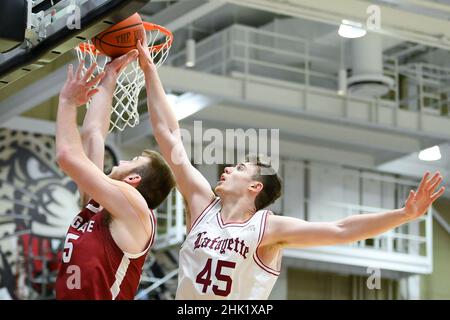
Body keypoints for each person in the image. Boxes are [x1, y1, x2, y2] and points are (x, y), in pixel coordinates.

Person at [136, 40, 445, 300]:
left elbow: (341, 230)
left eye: (241, 167)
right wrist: (150, 70)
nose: (228, 168)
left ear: (255, 187)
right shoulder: (201, 203)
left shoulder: (267, 229)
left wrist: (403, 215)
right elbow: (169, 135)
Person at [54, 50, 175, 300]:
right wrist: (109, 76)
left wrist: (67, 103)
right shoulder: (101, 204)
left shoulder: (134, 207)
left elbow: (68, 155)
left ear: (133, 181)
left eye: (133, 161)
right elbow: (92, 134)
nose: (122, 160)